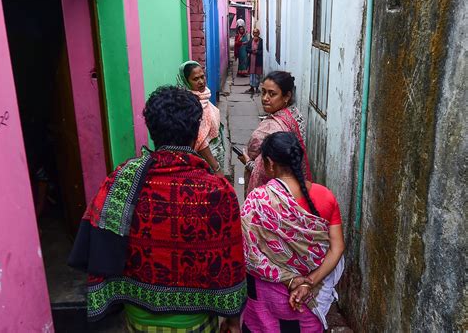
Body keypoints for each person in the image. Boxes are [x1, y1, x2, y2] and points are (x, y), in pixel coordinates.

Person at [68, 86, 246, 332]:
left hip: (137, 316)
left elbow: (98, 238)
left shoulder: (121, 179)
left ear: (152, 131)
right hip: (196, 320)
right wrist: (233, 317)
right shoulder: (218, 191)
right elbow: (231, 256)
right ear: (196, 132)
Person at [240, 131, 345, 332]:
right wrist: (308, 283)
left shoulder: (257, 200)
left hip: (267, 299)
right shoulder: (325, 196)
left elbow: (247, 252)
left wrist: (290, 280)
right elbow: (337, 247)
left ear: (270, 163)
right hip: (307, 299)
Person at [238, 71, 311, 195]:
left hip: (274, 194)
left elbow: (264, 170)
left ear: (287, 96)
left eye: (272, 94)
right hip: (294, 186)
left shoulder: (271, 128)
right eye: (263, 92)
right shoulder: (295, 115)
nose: (265, 98)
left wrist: (248, 162)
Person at [177, 61, 225, 176]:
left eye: (202, 76)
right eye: (195, 79)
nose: (201, 82)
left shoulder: (203, 96)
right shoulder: (188, 104)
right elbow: (200, 139)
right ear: (185, 81)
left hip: (215, 154)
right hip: (204, 161)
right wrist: (216, 167)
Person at [245, 28, 263, 94]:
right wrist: (252, 51)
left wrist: (257, 52)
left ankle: (257, 88)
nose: (255, 34)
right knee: (252, 74)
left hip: (258, 60)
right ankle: (252, 87)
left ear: (259, 33)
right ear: (253, 33)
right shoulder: (250, 41)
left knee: (257, 74)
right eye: (254, 33)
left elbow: (262, 51)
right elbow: (247, 49)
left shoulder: (261, 41)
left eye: (257, 33)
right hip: (252, 60)